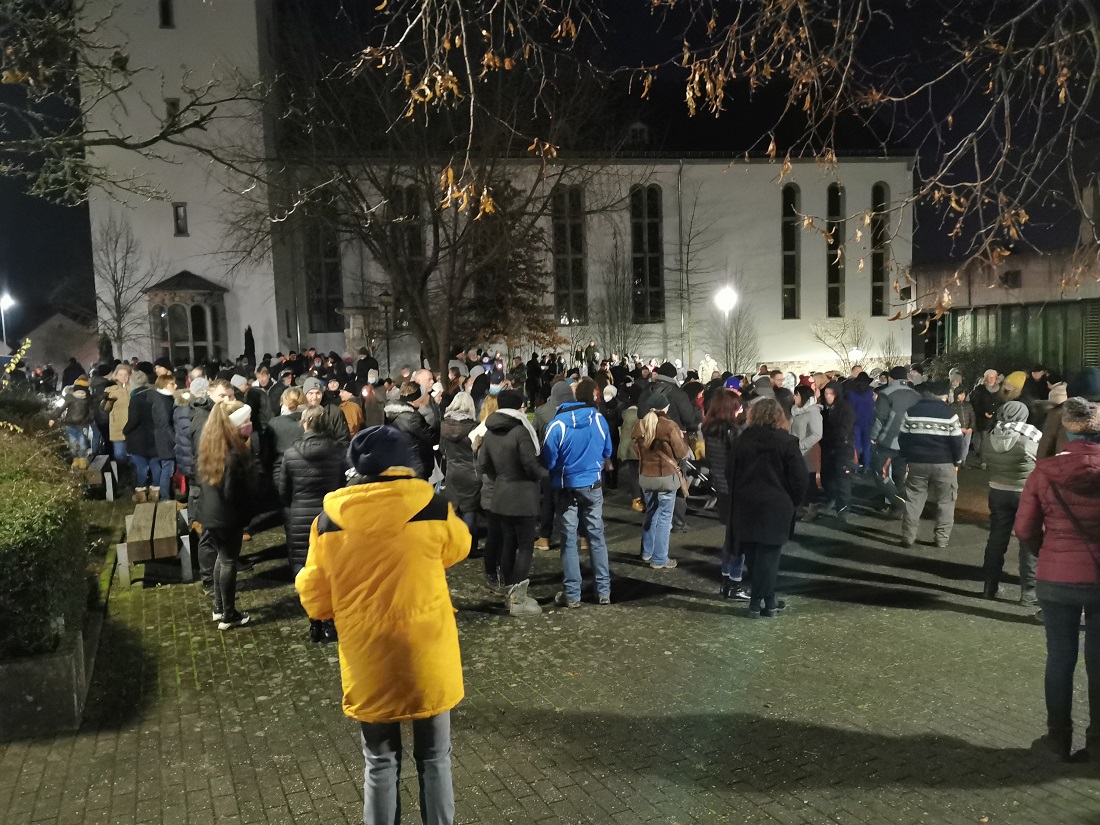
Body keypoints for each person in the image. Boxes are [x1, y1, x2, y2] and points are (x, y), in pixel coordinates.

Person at [296, 426, 469, 823]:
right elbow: (459, 547)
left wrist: (325, 612)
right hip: (427, 650)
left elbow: (314, 590)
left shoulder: (329, 522)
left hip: (367, 653)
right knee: (435, 757)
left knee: (379, 761)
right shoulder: (433, 506)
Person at [1014, 397, 1100, 763]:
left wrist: (1047, 552)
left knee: (1060, 658)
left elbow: (1024, 529)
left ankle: (1057, 740)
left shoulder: (1044, 472)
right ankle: (1097, 744)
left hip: (1056, 578)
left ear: (1065, 429)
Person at [726, 397, 808, 617]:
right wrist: (794, 501)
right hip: (776, 504)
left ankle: (767, 599)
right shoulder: (787, 441)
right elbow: (799, 478)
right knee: (770, 555)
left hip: (746, 503)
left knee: (753, 555)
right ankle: (759, 601)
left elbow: (729, 472)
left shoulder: (742, 440)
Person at [542, 378, 613, 607]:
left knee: (569, 539)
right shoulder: (598, 419)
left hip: (566, 488)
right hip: (593, 485)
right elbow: (607, 450)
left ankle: (573, 594)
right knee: (596, 537)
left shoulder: (557, 425)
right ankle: (604, 591)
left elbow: (548, 460)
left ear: (555, 402)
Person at [279, 406, 347, 642]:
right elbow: (342, 486)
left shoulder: (290, 453)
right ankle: (329, 622)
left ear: (305, 424)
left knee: (304, 569)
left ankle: (314, 620)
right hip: (329, 517)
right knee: (330, 570)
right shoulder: (338, 451)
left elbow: (283, 491)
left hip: (300, 518)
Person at [477, 389, 546, 615]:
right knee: (525, 546)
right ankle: (519, 600)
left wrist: (500, 477)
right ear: (518, 407)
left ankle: (509, 592)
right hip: (523, 495)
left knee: (508, 543)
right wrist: (544, 475)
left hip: (500, 495)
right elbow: (529, 463)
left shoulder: (490, 431)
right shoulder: (520, 431)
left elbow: (484, 463)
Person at [197, 401, 259, 630]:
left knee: (221, 559)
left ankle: (219, 607)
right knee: (229, 562)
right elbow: (233, 492)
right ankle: (229, 614)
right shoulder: (233, 453)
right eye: (245, 421)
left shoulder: (211, 444)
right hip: (226, 516)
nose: (248, 425)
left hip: (211, 514)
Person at [980, 400, 1042, 603]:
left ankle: (989, 586)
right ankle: (1028, 592)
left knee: (997, 539)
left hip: (997, 491)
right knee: (1028, 541)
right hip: (1025, 494)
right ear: (1023, 417)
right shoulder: (1028, 441)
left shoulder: (989, 438)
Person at [897, 380, 966, 548]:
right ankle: (941, 539)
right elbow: (957, 442)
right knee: (946, 501)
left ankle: (908, 536)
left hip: (917, 463)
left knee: (914, 499)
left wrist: (907, 457)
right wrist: (957, 461)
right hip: (944, 464)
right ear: (944, 395)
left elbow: (902, 438)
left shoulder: (911, 412)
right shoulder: (950, 415)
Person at [634, 394, 693, 570]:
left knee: (651, 512)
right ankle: (660, 558)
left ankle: (646, 552)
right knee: (665, 518)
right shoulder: (669, 426)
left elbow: (636, 451)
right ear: (665, 408)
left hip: (646, 476)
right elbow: (682, 453)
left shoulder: (640, 425)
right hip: (666, 478)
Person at [702, 389, 748, 598]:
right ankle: (735, 584)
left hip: (720, 487)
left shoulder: (709, 429)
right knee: (738, 539)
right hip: (735, 488)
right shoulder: (733, 432)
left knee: (730, 537)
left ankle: (725, 580)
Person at [869, 366, 921, 516]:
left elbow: (879, 419)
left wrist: (873, 437)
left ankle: (900, 503)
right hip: (908, 441)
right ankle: (897, 508)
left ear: (891, 378)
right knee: (900, 473)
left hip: (888, 440)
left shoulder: (886, 394)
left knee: (880, 473)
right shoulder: (915, 395)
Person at [439, 391, 482, 544]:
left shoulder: (444, 426)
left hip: (452, 471)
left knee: (455, 508)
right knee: (469, 509)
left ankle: (456, 544)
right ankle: (470, 545)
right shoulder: (474, 428)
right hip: (471, 472)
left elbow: (442, 449)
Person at [819, 380, 856, 524]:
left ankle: (843, 508)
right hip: (828, 447)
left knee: (843, 479)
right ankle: (832, 497)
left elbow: (844, 430)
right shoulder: (826, 410)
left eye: (831, 394)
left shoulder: (845, 409)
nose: (828, 396)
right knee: (826, 476)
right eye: (826, 393)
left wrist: (830, 436)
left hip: (842, 448)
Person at [384, 382, 436, 478]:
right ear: (414, 400)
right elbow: (431, 437)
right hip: (416, 464)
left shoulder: (390, 413)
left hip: (400, 462)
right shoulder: (412, 418)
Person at [122, 371, 160, 502]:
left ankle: (141, 491)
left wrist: (125, 430)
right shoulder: (155, 395)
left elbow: (133, 420)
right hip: (155, 435)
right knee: (155, 464)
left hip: (138, 438)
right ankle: (156, 490)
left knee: (141, 466)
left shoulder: (135, 399)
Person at [791, 385, 823, 520]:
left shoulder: (813, 412)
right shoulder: (796, 411)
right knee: (798, 480)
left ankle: (812, 509)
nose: (794, 398)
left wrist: (801, 445)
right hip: (796, 451)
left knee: (809, 482)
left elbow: (817, 434)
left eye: (796, 395)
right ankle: (800, 507)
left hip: (808, 452)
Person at [50, 376, 96, 469]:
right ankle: (75, 459)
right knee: (72, 444)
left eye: (82, 391)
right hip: (70, 425)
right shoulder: (69, 398)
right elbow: (60, 408)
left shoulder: (88, 400)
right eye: (78, 390)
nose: (80, 393)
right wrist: (53, 418)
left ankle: (82, 459)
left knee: (83, 443)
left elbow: (92, 412)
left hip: (82, 425)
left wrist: (90, 420)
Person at [104, 364, 133, 472]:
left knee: (134, 456)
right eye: (120, 374)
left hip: (133, 426)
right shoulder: (110, 390)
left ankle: (134, 479)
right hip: (117, 427)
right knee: (119, 455)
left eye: (126, 374)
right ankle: (123, 477)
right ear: (116, 376)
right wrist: (107, 401)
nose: (123, 377)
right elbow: (105, 408)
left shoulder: (133, 389)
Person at [971, 369, 1005, 462]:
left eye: (993, 377)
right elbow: (975, 403)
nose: (991, 379)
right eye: (989, 377)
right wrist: (983, 412)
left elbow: (1002, 403)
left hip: (996, 419)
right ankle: (983, 460)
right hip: (983, 419)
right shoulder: (980, 389)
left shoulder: (999, 390)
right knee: (983, 439)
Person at [846, 372, 875, 470]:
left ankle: (855, 466)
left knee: (855, 445)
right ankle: (867, 466)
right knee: (867, 446)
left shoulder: (851, 394)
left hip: (855, 423)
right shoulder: (871, 393)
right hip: (869, 422)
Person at [950, 386, 976, 465]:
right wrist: (960, 428)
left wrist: (971, 427)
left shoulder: (968, 405)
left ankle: (963, 461)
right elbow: (951, 419)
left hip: (968, 430)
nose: (962, 396)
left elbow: (972, 416)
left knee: (966, 446)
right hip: (958, 430)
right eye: (960, 394)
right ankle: (956, 460)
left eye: (964, 395)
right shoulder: (952, 406)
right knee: (957, 445)